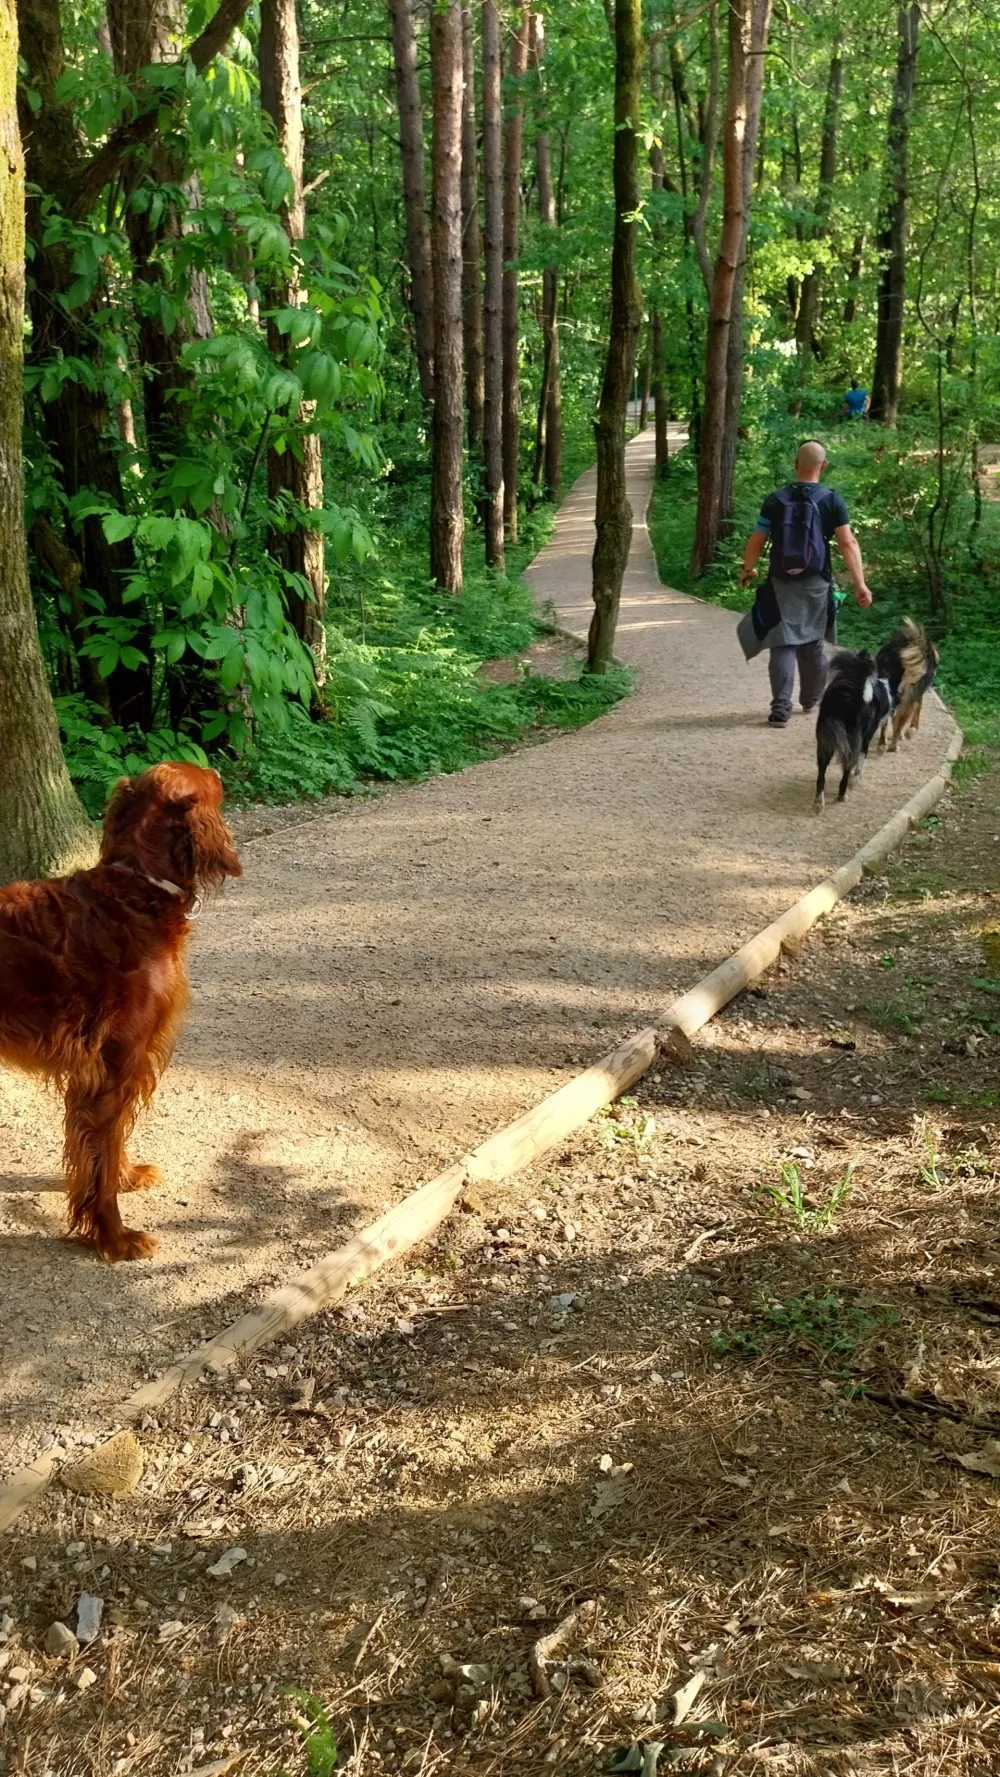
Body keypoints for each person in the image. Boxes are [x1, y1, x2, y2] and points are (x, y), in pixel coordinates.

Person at [737, 440, 873, 727]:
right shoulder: (832, 500)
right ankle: (810, 698)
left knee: (781, 643)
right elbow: (848, 542)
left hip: (780, 582)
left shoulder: (775, 499)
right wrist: (860, 583)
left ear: (796, 463)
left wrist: (748, 569)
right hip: (816, 582)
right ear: (823, 466)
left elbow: (758, 539)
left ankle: (780, 709)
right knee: (812, 644)